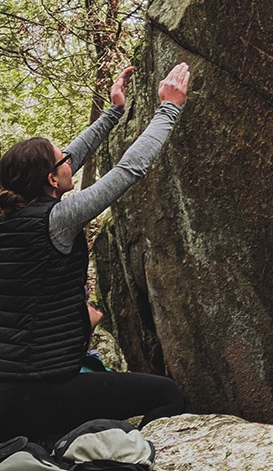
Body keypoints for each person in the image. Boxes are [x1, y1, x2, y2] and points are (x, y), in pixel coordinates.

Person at [0, 62, 190, 440]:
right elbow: (128, 170)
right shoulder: (56, 219)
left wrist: (113, 112)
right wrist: (169, 109)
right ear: (52, 180)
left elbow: (69, 157)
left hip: (6, 392)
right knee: (168, 395)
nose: (71, 160)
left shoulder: (11, 215)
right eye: (63, 160)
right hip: (42, 393)